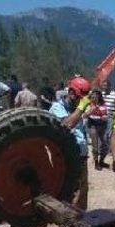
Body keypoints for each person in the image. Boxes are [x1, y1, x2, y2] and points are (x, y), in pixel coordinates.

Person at [49, 78, 90, 209]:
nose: (80, 101)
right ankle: (69, 222)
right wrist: (81, 108)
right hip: (66, 158)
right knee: (69, 192)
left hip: (81, 156)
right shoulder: (57, 107)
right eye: (79, 98)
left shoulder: (77, 110)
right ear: (71, 93)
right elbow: (67, 125)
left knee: (82, 191)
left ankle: (82, 219)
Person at [83, 89, 109, 170]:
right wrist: (92, 109)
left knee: (105, 144)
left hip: (102, 125)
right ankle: (96, 162)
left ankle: (101, 160)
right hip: (93, 125)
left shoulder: (103, 104)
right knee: (95, 145)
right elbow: (84, 116)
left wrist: (105, 117)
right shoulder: (89, 104)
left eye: (96, 95)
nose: (94, 97)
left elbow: (106, 114)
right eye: (93, 96)